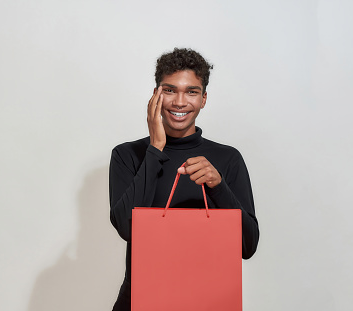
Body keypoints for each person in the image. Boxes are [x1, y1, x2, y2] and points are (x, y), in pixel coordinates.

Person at [109, 48, 259, 311]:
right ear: (156, 95)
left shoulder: (227, 159)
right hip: (141, 301)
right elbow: (127, 227)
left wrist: (218, 186)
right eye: (169, 90)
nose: (180, 102)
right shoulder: (127, 155)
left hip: (207, 302)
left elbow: (247, 246)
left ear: (203, 99)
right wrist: (155, 149)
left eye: (191, 91)